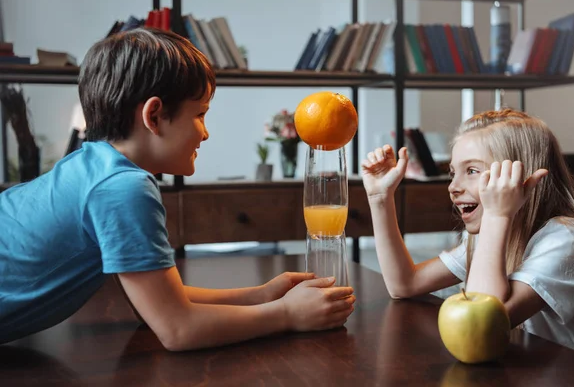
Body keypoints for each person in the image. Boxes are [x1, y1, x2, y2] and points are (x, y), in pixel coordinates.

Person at [0, 28, 355, 350]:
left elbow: (156, 302)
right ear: (154, 116)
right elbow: (177, 328)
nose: (205, 132)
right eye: (200, 114)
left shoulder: (93, 167)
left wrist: (261, 295)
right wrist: (287, 315)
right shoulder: (122, 189)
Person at [361, 108, 574, 358]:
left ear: (521, 178)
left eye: (472, 171)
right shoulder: (489, 234)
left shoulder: (567, 240)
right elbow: (404, 284)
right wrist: (380, 198)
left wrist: (497, 215)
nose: (453, 187)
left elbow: (479, 328)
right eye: (453, 172)